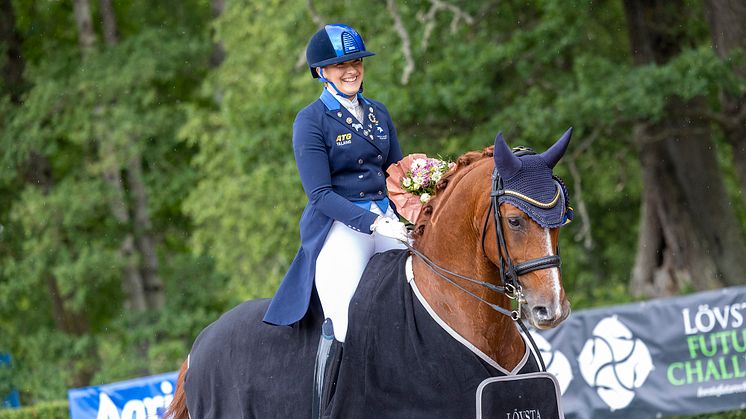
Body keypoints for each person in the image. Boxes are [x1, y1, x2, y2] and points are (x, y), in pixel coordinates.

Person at [262, 23, 409, 412]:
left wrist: (418, 202)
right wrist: (372, 223)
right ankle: (332, 406)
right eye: (340, 64)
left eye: (356, 61)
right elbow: (320, 194)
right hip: (341, 226)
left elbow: (395, 172)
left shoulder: (378, 112)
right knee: (343, 318)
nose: (351, 70)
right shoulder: (310, 120)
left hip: (388, 219)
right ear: (321, 71)